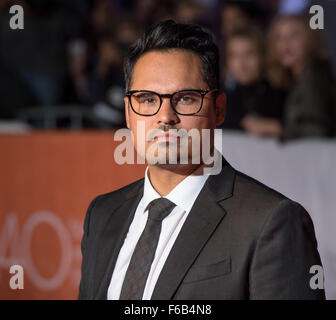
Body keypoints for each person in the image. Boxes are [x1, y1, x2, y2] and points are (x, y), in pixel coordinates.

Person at [78, 20, 325, 300]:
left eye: (185, 98)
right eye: (147, 99)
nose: (164, 116)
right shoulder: (102, 214)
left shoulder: (271, 222)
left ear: (218, 109)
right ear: (128, 112)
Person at [266, 14, 336, 140]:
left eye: (294, 36)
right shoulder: (296, 78)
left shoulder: (315, 77)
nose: (285, 44)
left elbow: (318, 131)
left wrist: (276, 128)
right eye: (279, 38)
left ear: (311, 40)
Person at [220, 28, 286, 137]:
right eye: (234, 55)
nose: (241, 64)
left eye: (249, 54)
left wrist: (277, 127)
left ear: (263, 57)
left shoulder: (280, 95)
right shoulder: (219, 98)